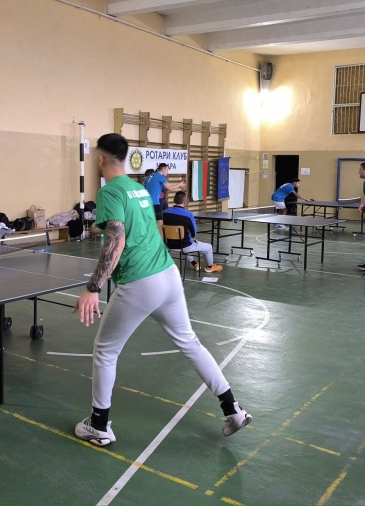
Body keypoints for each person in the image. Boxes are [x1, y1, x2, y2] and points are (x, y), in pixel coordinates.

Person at [73, 134, 251, 446]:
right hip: (168, 275)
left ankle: (99, 425)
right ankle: (232, 409)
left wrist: (93, 288)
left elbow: (117, 240)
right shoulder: (139, 189)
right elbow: (137, 229)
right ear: (126, 158)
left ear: (100, 159)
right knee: (190, 343)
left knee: (105, 351)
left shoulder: (110, 191)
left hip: (140, 282)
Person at [162, 191, 223, 273]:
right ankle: (210, 267)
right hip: (185, 246)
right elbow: (194, 233)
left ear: (174, 200)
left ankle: (194, 263)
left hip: (170, 246)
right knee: (208, 247)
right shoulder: (188, 214)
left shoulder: (165, 212)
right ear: (184, 202)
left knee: (184, 244)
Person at [145, 163, 186, 230]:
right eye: (167, 170)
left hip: (146, 203)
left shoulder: (149, 177)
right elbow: (170, 188)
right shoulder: (160, 177)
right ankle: (161, 237)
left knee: (150, 222)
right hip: (155, 203)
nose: (167, 172)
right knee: (160, 222)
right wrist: (179, 185)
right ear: (163, 169)